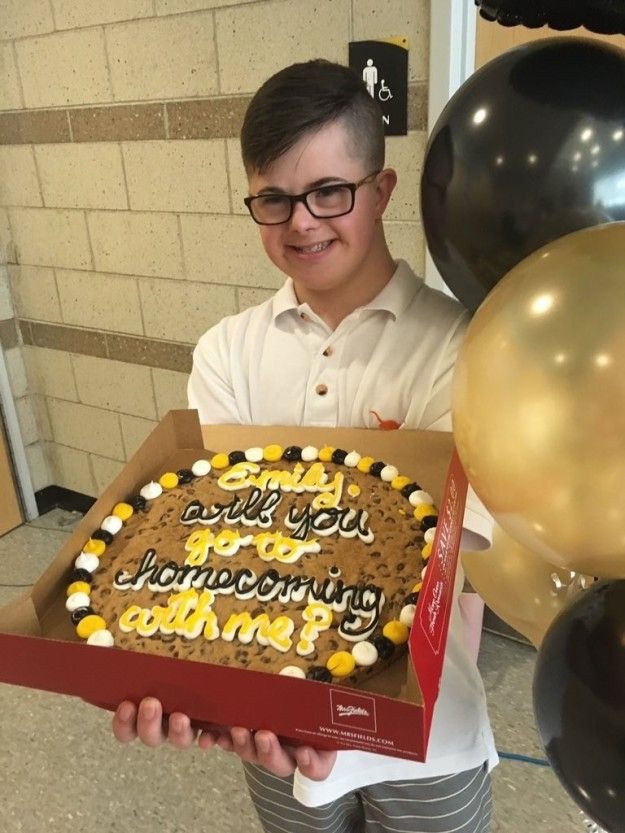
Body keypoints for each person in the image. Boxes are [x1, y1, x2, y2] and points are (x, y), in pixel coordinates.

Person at [113, 59, 497, 833]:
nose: (301, 223)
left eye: (330, 192)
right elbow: (212, 545)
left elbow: (448, 563)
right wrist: (185, 676)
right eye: (274, 200)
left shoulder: (460, 347)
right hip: (274, 741)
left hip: (427, 741)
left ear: (381, 190)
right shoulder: (226, 352)